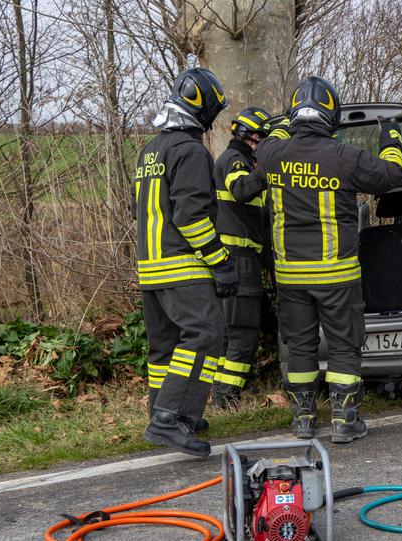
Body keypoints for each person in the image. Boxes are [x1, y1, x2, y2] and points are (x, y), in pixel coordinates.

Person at [229, 76, 402, 443]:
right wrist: (391, 137)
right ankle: (344, 420)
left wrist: (279, 124)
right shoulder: (344, 157)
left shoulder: (272, 154)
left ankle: (304, 419)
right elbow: (390, 174)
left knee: (301, 345)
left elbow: (273, 138)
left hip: (291, 275)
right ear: (331, 114)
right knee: (343, 344)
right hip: (336, 273)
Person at [134, 67, 235, 457]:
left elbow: (137, 210)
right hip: (183, 267)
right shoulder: (190, 151)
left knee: (165, 347)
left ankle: (165, 413)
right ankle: (170, 417)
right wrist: (220, 262)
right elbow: (191, 217)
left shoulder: (151, 150)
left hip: (151, 269)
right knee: (206, 335)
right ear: (203, 108)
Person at [211, 107, 272, 409]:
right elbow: (241, 190)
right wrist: (267, 170)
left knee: (231, 333)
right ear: (251, 136)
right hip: (239, 259)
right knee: (243, 334)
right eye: (263, 138)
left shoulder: (241, 160)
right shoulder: (236, 161)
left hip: (240, 259)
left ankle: (222, 393)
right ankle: (226, 397)